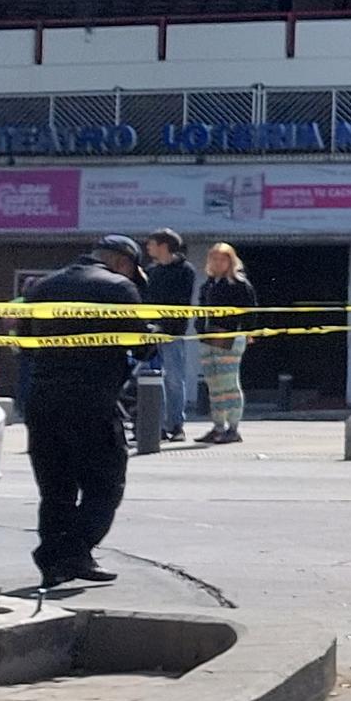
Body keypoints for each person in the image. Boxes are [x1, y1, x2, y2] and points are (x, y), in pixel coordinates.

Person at [19, 234, 151, 587]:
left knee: (55, 489)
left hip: (42, 402)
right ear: (123, 263)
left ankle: (60, 560)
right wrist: (153, 332)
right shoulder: (120, 288)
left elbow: (25, 344)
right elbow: (142, 348)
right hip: (92, 404)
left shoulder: (41, 287)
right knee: (105, 485)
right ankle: (67, 552)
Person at [138, 228, 201, 443]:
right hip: (150, 335)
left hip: (172, 333)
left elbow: (180, 302)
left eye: (152, 243)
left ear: (164, 246)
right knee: (151, 380)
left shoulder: (185, 270)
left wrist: (164, 324)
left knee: (174, 379)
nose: (148, 247)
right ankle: (156, 425)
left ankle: (176, 425)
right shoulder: (152, 271)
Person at [194, 241, 257, 444]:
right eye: (214, 258)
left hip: (230, 335)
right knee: (213, 383)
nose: (218, 263)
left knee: (229, 382)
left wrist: (247, 333)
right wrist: (199, 329)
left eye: (223, 259)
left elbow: (249, 311)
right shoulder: (208, 284)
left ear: (231, 261)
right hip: (208, 337)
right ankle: (218, 425)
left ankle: (233, 427)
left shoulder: (240, 284)